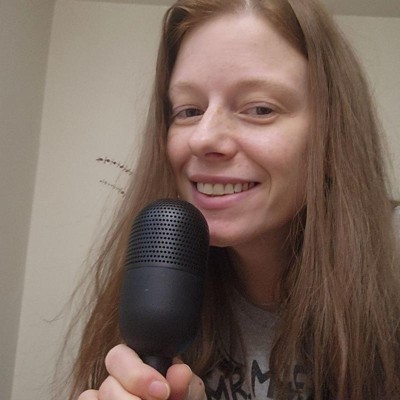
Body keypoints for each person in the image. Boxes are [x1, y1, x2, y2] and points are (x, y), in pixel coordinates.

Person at [59, 0, 400, 399]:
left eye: (260, 108)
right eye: (188, 110)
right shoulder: (153, 278)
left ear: (330, 134)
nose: (203, 138)